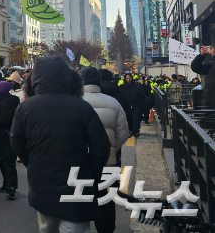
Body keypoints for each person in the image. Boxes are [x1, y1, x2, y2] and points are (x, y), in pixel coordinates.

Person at [11, 57, 111, 233]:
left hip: (41, 178)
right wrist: (91, 172)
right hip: (77, 178)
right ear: (69, 78)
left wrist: (32, 162)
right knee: (74, 227)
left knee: (47, 227)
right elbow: (101, 147)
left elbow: (17, 141)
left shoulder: (25, 107)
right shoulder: (82, 106)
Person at [79, 67, 129, 233]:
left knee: (79, 199)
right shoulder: (113, 102)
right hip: (108, 162)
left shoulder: (74, 101)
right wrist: (112, 148)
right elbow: (123, 134)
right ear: (99, 81)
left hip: (80, 162)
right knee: (106, 201)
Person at [0, 81, 20, 200]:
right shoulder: (0, 101)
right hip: (0, 137)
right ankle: (6, 183)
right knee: (2, 162)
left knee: (8, 163)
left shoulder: (6, 104)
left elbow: (6, 120)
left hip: (6, 137)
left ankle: (11, 187)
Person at [118, 73, 145, 137]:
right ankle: (130, 130)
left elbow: (141, 95)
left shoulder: (136, 86)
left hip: (135, 104)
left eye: (129, 78)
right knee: (127, 117)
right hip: (126, 104)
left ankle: (136, 130)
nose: (128, 80)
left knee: (136, 117)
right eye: (127, 78)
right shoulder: (122, 87)